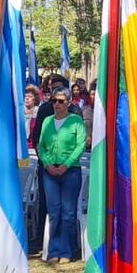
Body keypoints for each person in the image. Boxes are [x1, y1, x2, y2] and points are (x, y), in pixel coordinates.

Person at [37, 86, 88, 261]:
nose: (57, 104)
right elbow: (41, 145)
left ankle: (67, 250)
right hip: (49, 171)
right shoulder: (47, 121)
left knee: (68, 212)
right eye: (54, 101)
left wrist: (66, 165)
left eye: (60, 101)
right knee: (54, 211)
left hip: (70, 171)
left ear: (68, 102)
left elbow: (80, 145)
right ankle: (53, 250)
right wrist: (47, 163)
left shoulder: (76, 121)